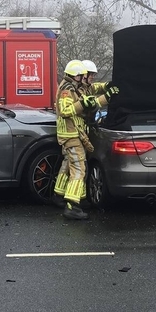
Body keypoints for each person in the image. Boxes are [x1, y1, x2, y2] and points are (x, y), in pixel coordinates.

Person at [52, 60, 115, 220]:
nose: (89, 77)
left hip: (72, 133)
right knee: (79, 168)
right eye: (86, 75)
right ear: (76, 76)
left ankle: (60, 195)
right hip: (71, 134)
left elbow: (93, 89)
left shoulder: (77, 87)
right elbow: (66, 110)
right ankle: (72, 205)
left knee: (69, 164)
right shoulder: (67, 90)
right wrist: (86, 103)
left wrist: (107, 86)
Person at [79, 59, 118, 129]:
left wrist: (108, 85)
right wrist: (107, 96)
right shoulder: (77, 90)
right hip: (78, 130)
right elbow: (90, 105)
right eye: (91, 74)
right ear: (84, 74)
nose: (93, 77)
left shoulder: (87, 87)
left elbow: (98, 87)